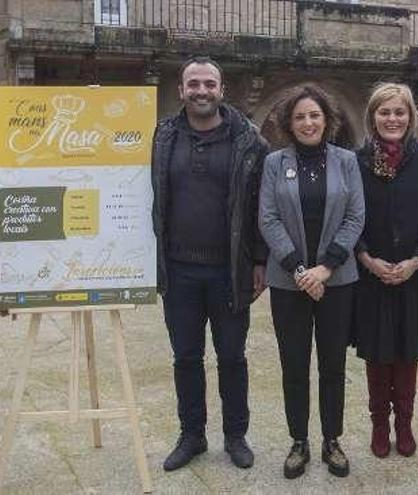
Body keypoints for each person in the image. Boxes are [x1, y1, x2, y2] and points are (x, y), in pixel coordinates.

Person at [151, 55, 269, 472]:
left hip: (229, 271)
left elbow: (260, 205)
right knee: (185, 357)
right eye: (193, 84)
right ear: (181, 90)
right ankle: (192, 435)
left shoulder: (249, 141)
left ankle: (235, 436)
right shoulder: (162, 136)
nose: (202, 90)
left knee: (232, 357)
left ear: (223, 90)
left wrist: (260, 260)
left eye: (209, 84)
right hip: (178, 270)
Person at [259, 84, 364, 479]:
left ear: (327, 120)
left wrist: (325, 268)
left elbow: (356, 217)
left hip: (337, 281)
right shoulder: (275, 163)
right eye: (300, 116)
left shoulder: (346, 162)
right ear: (289, 122)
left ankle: (331, 439)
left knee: (333, 364)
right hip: (289, 282)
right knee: (294, 363)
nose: (308, 122)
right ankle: (299, 440)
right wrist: (301, 271)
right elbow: (267, 219)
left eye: (314, 115)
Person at [353, 83, 418, 458]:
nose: (392, 119)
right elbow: (349, 215)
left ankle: (404, 425)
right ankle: (379, 425)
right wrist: (365, 258)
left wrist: (417, 260)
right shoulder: (357, 160)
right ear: (372, 116)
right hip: (371, 274)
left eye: (399, 112)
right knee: (377, 356)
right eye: (385, 112)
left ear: (410, 118)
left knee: (408, 355)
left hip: (415, 275)